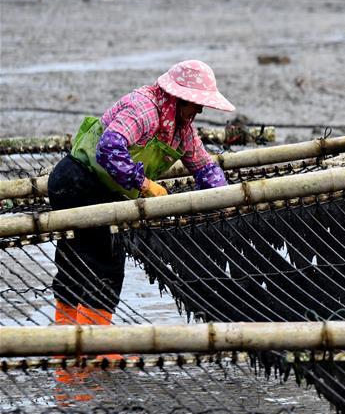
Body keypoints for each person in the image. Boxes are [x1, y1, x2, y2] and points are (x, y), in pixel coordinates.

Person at [48, 60, 234, 346]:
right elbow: (109, 148)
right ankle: (91, 347)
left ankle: (67, 344)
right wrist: (144, 185)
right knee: (104, 261)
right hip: (77, 182)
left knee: (79, 257)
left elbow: (204, 168)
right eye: (196, 103)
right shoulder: (145, 109)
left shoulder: (182, 129)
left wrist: (227, 201)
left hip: (101, 191)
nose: (199, 110)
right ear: (179, 98)